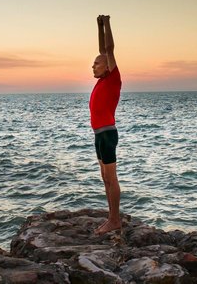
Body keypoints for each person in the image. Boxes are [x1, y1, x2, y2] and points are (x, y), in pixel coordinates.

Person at [89, 14, 122, 235]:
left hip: (108, 134)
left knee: (111, 178)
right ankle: (111, 217)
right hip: (98, 135)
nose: (92, 66)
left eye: (96, 64)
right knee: (104, 179)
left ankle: (115, 219)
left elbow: (108, 50)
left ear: (107, 67)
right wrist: (98, 26)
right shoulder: (102, 80)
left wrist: (107, 23)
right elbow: (103, 50)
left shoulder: (112, 79)